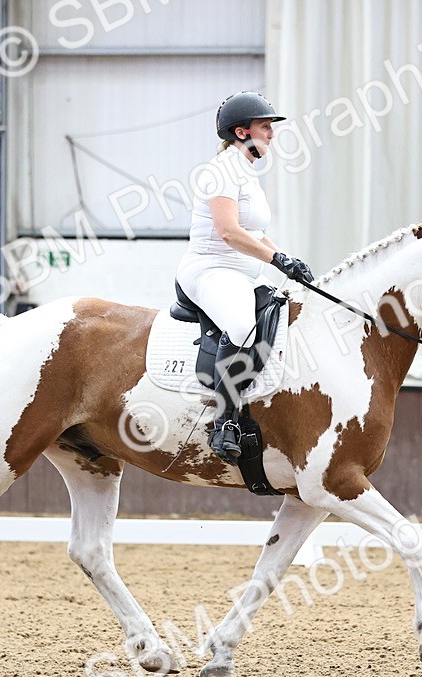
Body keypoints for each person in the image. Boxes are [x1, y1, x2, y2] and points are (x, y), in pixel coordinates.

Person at [176, 91, 315, 463]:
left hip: (242, 272)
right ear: (241, 132)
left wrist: (286, 260)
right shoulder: (218, 171)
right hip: (210, 269)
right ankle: (223, 422)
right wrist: (276, 258)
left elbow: (253, 231)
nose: (271, 134)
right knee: (241, 325)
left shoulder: (246, 173)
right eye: (265, 127)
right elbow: (228, 232)